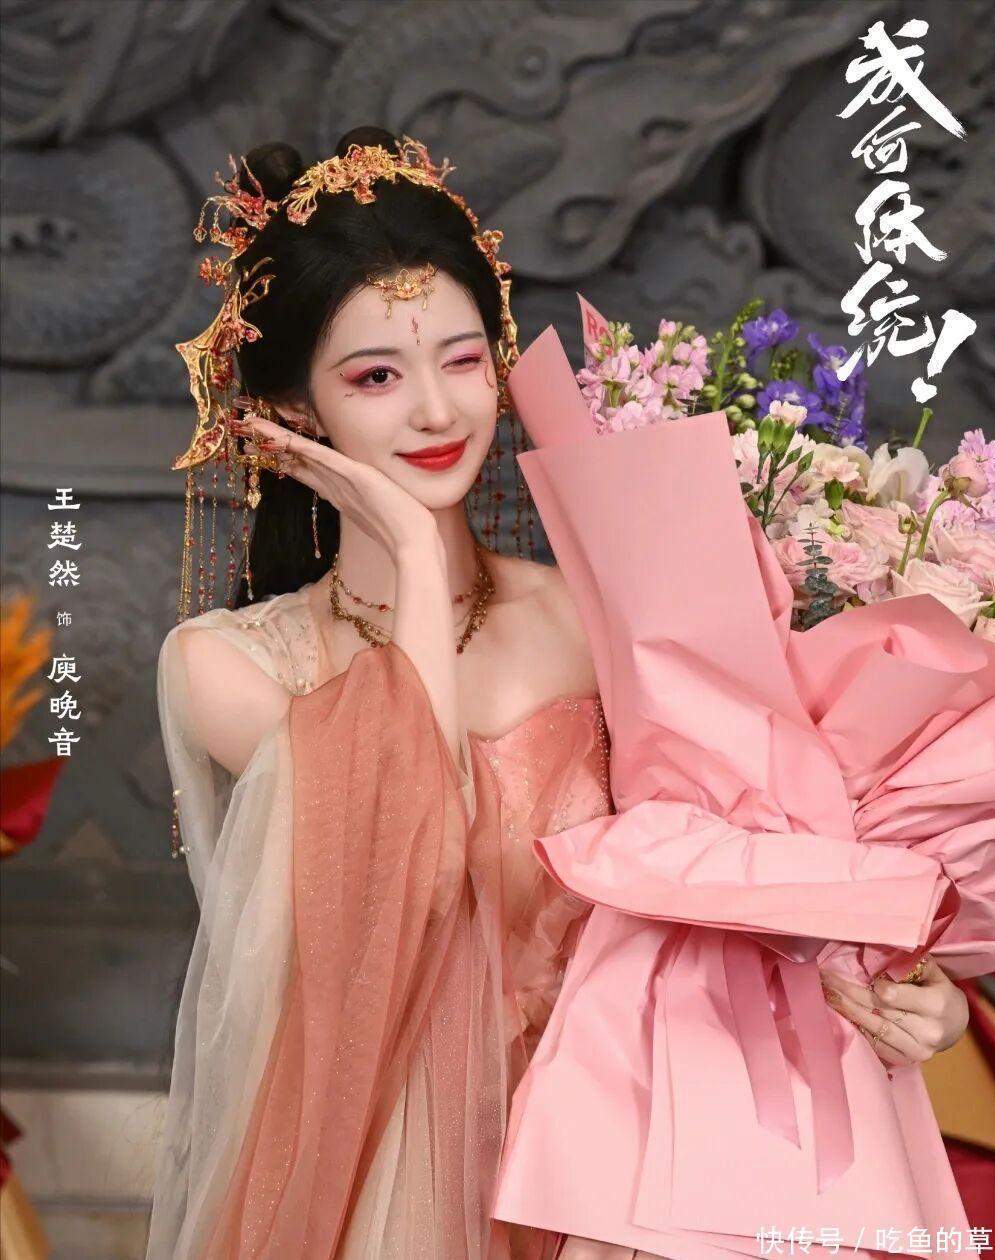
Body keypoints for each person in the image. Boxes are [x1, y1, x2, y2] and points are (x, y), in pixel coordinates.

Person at [146, 127, 611, 1260]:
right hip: (388, 1174)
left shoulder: (592, 616)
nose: (438, 413)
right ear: (295, 410)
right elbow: (409, 868)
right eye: (376, 378)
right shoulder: (231, 666)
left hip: (602, 1147)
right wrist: (408, 546)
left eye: (463, 360)